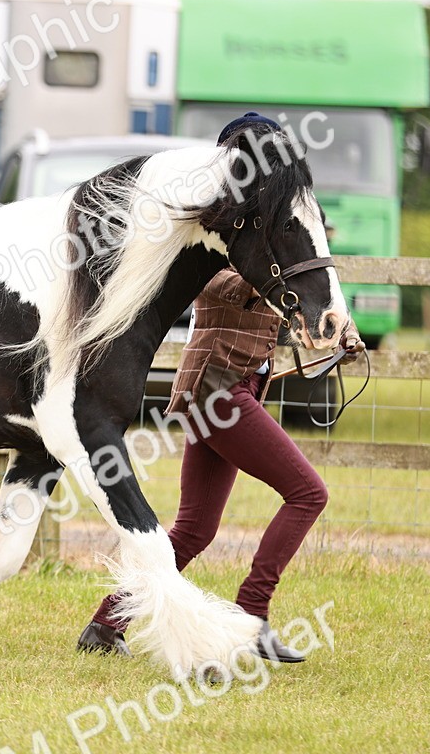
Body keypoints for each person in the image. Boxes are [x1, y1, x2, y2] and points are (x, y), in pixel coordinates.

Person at [77, 113, 363, 663]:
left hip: (233, 388)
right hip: (217, 391)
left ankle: (106, 624)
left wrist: (335, 327)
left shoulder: (264, 222)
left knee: (194, 529)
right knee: (309, 494)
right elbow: (228, 285)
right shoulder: (221, 230)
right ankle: (252, 616)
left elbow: (291, 289)